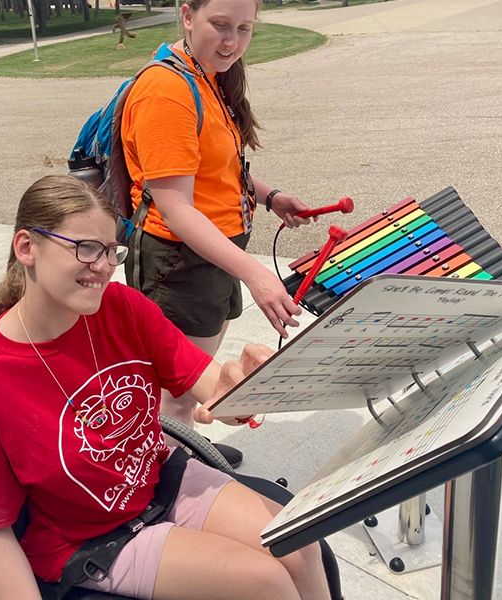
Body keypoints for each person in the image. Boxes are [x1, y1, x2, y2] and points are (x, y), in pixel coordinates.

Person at [0, 175, 331, 600]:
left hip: (160, 479)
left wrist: (245, 386)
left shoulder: (122, 308)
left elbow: (211, 389)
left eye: (111, 251)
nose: (104, 266)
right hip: (89, 538)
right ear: (26, 247)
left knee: (299, 542)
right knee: (265, 582)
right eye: (86, 248)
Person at [121, 0, 313, 440]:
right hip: (179, 263)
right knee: (176, 396)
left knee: (188, 388)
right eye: (221, 25)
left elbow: (214, 170)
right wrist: (254, 274)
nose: (232, 42)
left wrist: (270, 197)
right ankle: (174, 481)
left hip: (215, 255)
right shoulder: (166, 91)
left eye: (245, 29)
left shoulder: (204, 74)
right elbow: (177, 208)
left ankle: (188, 457)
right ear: (187, 15)